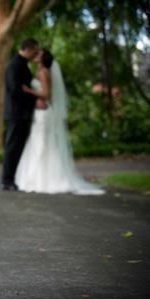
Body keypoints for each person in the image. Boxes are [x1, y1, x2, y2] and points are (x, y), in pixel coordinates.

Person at [15, 49, 105, 195]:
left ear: (43, 58)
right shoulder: (41, 71)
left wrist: (28, 91)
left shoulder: (44, 72)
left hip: (44, 113)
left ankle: (46, 180)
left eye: (39, 54)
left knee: (43, 144)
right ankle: (36, 179)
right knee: (39, 144)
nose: (35, 55)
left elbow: (46, 94)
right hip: (39, 113)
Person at [1, 38, 40, 191]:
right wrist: (35, 97)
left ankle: (13, 178)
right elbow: (15, 90)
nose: (35, 54)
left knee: (18, 146)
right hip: (16, 113)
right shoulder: (14, 65)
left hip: (23, 113)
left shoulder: (23, 64)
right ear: (27, 49)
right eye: (34, 51)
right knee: (12, 146)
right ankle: (7, 179)